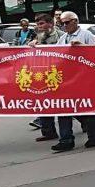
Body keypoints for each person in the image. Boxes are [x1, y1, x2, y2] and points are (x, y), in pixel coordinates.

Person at [51, 11, 95, 152]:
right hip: (67, 79)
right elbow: (54, 54)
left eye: (66, 22)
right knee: (63, 107)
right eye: (62, 23)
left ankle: (93, 136)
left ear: (75, 21)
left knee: (88, 107)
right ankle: (66, 139)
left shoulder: (86, 35)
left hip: (84, 78)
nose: (64, 26)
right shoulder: (63, 38)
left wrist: (82, 47)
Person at [29, 13, 61, 142]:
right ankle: (48, 132)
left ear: (50, 23)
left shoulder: (58, 35)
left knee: (63, 102)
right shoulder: (39, 36)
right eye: (37, 24)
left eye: (41, 23)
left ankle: (84, 121)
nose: (39, 26)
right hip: (42, 72)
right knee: (43, 102)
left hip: (57, 72)